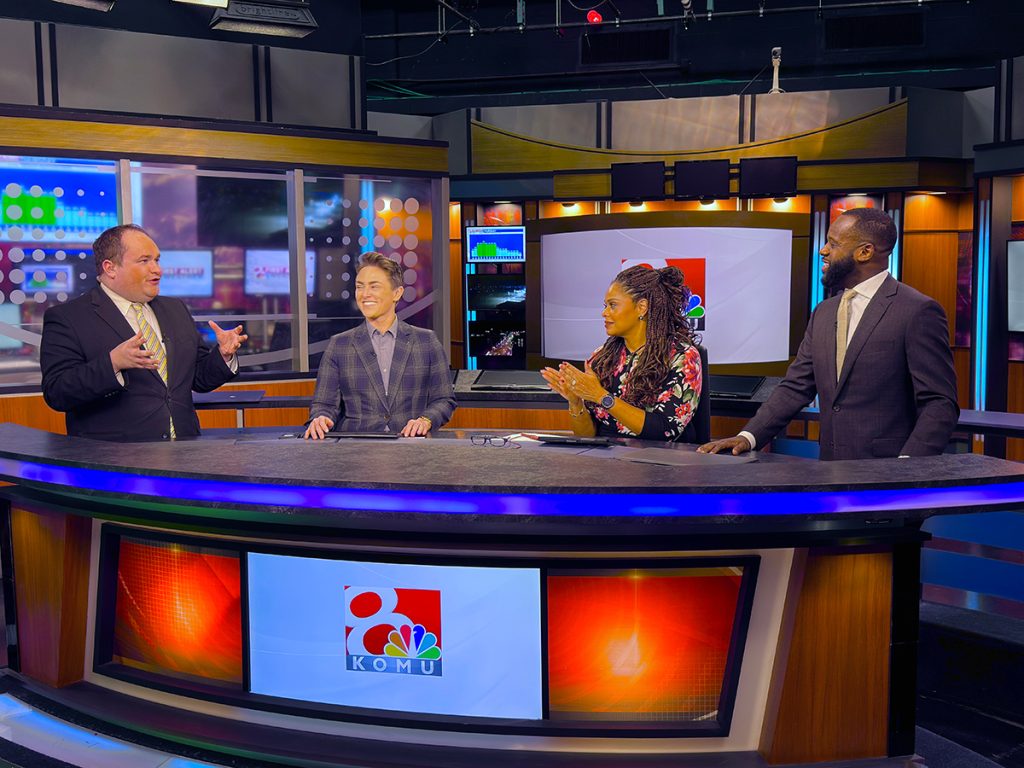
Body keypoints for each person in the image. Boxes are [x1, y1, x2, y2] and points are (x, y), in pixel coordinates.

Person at [699, 207, 958, 461]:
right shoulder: (824, 311)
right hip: (831, 470)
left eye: (832, 244)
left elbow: (939, 403)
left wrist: (907, 466)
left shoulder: (917, 311)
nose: (823, 250)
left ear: (865, 252)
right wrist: (748, 437)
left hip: (887, 476)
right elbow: (796, 386)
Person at [40, 224, 246, 441]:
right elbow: (58, 392)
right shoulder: (69, 317)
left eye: (157, 260)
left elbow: (198, 378)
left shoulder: (175, 308)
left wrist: (223, 354)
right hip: (115, 461)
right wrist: (113, 363)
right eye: (144, 261)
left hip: (185, 453)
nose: (157, 269)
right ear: (110, 268)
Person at [540, 265, 703, 442]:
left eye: (613, 305)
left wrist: (600, 396)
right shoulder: (602, 357)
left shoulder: (683, 357)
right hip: (606, 462)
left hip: (659, 462)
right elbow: (586, 436)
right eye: (605, 306)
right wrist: (576, 401)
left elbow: (665, 431)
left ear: (642, 307)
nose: (604, 313)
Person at [304, 252, 456, 439]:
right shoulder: (340, 345)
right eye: (360, 287)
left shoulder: (426, 341)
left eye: (374, 286)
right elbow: (324, 405)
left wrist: (426, 420)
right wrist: (320, 418)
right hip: (355, 450)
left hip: (411, 448)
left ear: (397, 293)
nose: (365, 294)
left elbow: (444, 399)